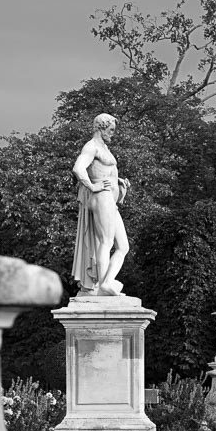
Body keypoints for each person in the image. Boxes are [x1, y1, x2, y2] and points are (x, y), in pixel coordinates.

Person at [71, 113, 131, 296]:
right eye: (111, 130)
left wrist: (118, 181)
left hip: (110, 201)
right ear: (101, 127)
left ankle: (106, 282)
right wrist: (93, 185)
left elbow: (104, 170)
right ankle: (104, 285)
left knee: (123, 247)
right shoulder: (91, 146)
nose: (113, 134)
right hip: (101, 197)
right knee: (106, 241)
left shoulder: (103, 147)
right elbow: (78, 168)